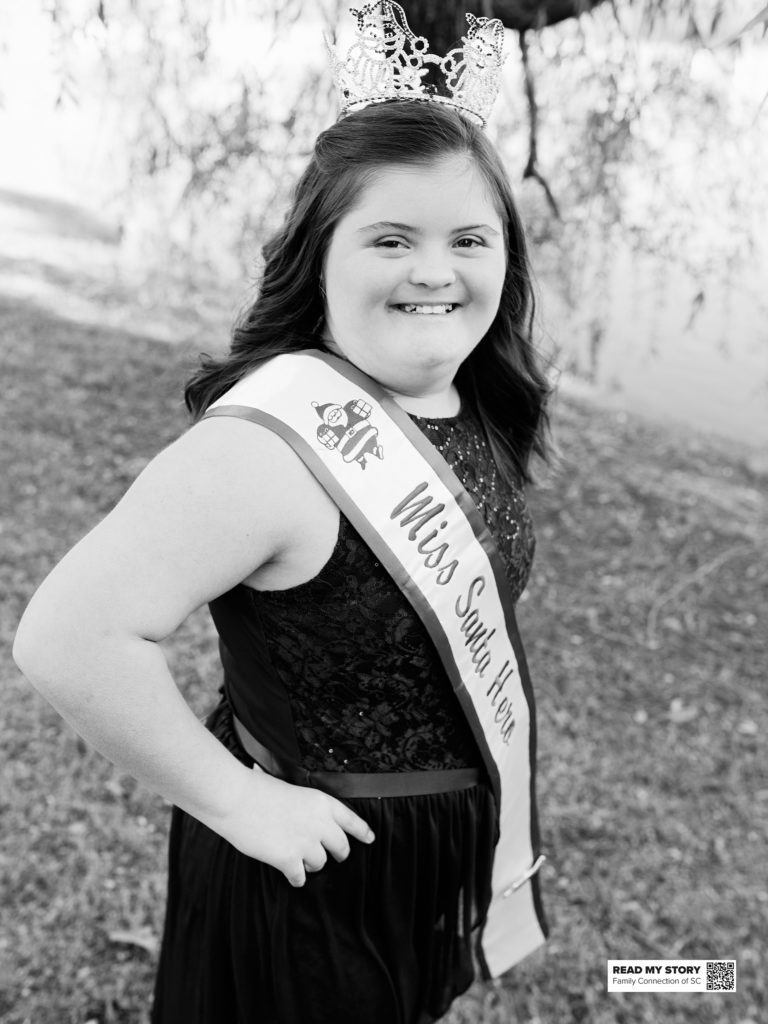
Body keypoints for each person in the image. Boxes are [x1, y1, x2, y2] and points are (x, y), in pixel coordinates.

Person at [13, 11, 552, 1023]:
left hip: (426, 860)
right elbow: (67, 637)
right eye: (391, 238)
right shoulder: (262, 451)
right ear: (321, 254)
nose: (436, 271)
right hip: (306, 866)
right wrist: (235, 799)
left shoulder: (466, 402)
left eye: (468, 239)